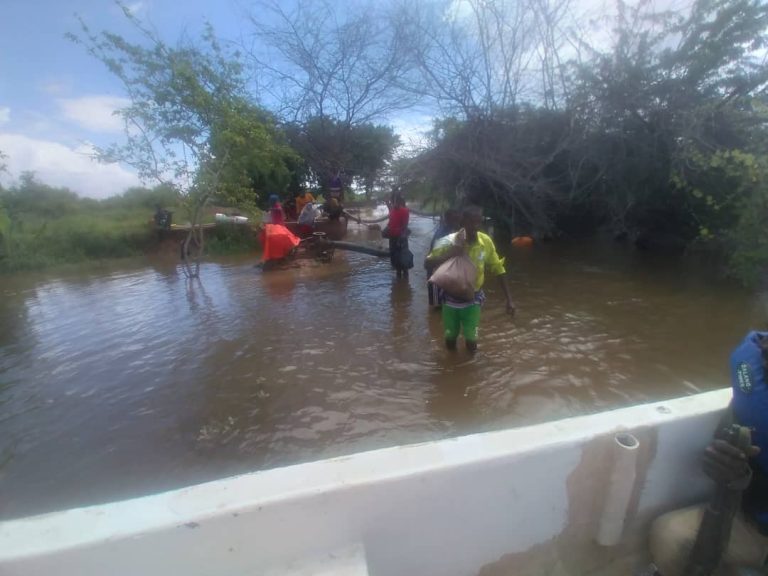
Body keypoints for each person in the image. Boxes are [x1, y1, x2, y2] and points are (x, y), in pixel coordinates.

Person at [649, 331, 768, 575]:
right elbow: (725, 439)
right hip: (755, 524)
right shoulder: (755, 383)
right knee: (670, 536)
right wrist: (733, 472)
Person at [425, 205, 515, 353]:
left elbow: (498, 268)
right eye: (471, 222)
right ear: (462, 222)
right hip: (449, 299)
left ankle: (471, 370)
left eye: (478, 222)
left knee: (471, 339)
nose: (475, 226)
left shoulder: (485, 242)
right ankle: (451, 368)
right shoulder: (449, 241)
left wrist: (509, 299)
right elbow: (427, 264)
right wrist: (451, 253)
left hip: (473, 299)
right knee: (450, 336)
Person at [427, 208, 461, 307]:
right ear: (447, 220)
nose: (457, 223)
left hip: (445, 271)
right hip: (435, 270)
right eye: (454, 220)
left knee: (446, 302)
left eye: (458, 220)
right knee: (437, 305)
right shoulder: (442, 234)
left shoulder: (453, 232)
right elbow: (434, 256)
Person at [387, 191, 413, 279]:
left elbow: (405, 225)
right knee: (396, 263)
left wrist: (401, 236)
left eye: (394, 201)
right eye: (392, 201)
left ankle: (405, 283)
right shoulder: (392, 211)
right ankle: (400, 284)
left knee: (404, 263)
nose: (393, 203)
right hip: (393, 238)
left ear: (398, 201)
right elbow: (390, 223)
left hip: (401, 238)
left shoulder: (405, 211)